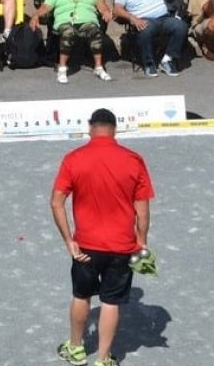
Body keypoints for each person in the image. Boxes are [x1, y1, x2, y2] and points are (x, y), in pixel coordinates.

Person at [50, 108, 154, 366]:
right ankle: (104, 359)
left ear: (90, 127)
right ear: (115, 129)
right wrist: (140, 243)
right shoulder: (134, 160)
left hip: (85, 246)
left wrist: (68, 241)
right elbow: (142, 210)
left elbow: (56, 203)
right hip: (121, 247)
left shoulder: (73, 159)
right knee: (111, 302)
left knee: (81, 295)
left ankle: (75, 349)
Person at [30, 0, 114, 84]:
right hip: (65, 20)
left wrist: (106, 12)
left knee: (95, 31)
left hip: (86, 20)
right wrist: (36, 16)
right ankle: (62, 68)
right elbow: (46, 7)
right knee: (68, 32)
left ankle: (98, 67)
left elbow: (101, 4)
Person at [113, 0, 186, 76]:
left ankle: (167, 60)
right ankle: (148, 63)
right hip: (144, 20)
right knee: (145, 28)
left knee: (180, 26)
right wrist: (133, 18)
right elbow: (117, 10)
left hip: (164, 17)